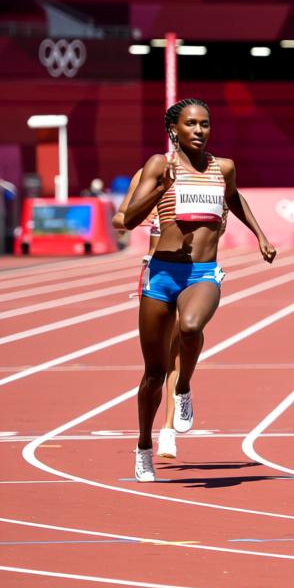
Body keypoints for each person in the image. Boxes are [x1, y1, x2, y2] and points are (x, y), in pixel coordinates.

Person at [121, 98, 276, 481]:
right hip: (160, 274)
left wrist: (260, 235)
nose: (199, 131)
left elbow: (234, 198)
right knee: (153, 373)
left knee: (190, 328)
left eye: (205, 124)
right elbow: (128, 219)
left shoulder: (223, 167)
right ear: (175, 129)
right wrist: (162, 189)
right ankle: (144, 446)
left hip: (202, 272)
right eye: (191, 124)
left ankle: (185, 388)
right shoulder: (162, 165)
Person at [114, 167, 181, 459]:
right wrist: (149, 211)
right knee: (157, 362)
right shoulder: (146, 173)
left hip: (192, 272)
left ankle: (168, 430)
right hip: (156, 273)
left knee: (181, 347)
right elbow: (120, 219)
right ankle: (146, 437)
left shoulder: (207, 172)